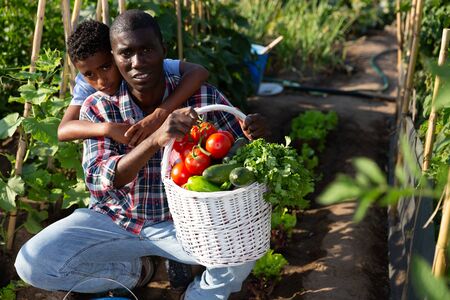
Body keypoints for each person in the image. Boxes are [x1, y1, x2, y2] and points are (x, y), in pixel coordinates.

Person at [15, 9, 267, 300]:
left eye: (147, 50)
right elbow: (101, 181)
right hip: (116, 221)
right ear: (114, 56)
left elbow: (241, 156)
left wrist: (255, 133)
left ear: (164, 51)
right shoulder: (99, 108)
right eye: (126, 54)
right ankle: (135, 273)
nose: (137, 63)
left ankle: (198, 295)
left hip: (184, 228)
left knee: (241, 252)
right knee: (34, 263)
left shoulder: (202, 98)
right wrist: (155, 140)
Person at [58, 19, 209, 146]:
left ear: (116, 56)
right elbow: (63, 129)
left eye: (106, 67)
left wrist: (159, 114)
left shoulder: (144, 68)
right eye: (90, 74)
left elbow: (199, 72)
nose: (101, 80)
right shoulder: (87, 84)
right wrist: (108, 128)